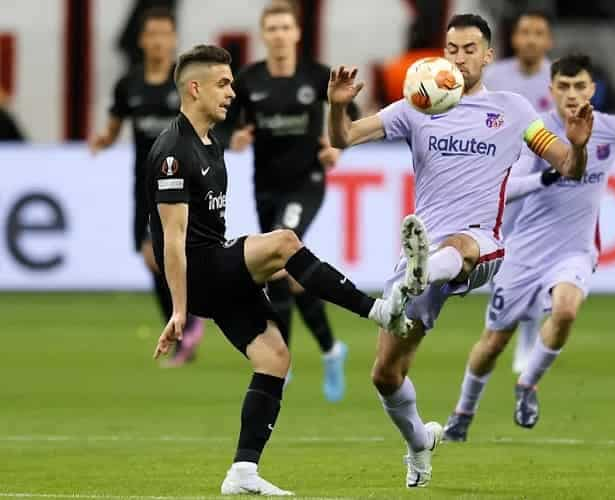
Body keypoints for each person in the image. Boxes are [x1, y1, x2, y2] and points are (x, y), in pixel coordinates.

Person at [327, 14, 594, 488]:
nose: (459, 57)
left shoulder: (514, 111)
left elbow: (568, 168)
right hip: (424, 247)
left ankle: (422, 269)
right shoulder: (416, 105)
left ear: (487, 56)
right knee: (386, 374)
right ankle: (419, 444)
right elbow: (343, 138)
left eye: (469, 49)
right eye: (451, 48)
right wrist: (337, 107)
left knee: (459, 248)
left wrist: (578, 144)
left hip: (479, 246)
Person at [147, 44, 408, 496]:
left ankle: (242, 472)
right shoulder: (174, 151)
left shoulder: (210, 142)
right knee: (285, 243)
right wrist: (179, 310)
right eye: (223, 84)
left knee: (274, 357)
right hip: (202, 271)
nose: (232, 92)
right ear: (195, 87)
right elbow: (171, 239)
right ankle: (378, 311)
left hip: (215, 270)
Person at [442, 54, 615, 441]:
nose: (573, 95)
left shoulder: (610, 130)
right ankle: (464, 410)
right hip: (523, 253)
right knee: (493, 342)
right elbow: (507, 190)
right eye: (564, 86)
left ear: (592, 89)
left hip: (574, 251)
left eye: (580, 86)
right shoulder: (537, 132)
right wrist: (548, 176)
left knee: (565, 311)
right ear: (552, 91)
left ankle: (527, 385)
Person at [219, 1, 352, 401]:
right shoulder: (249, 80)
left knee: (278, 263)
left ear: (296, 34)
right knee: (288, 273)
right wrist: (233, 139)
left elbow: (348, 115)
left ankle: (283, 361)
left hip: (307, 182)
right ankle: (331, 349)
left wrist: (335, 146)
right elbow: (222, 119)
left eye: (284, 27)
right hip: (266, 187)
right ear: (264, 35)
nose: (278, 34)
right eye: (271, 28)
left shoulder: (316, 75)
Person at [89, 8, 204, 366]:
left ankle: (190, 319)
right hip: (144, 183)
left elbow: (207, 122)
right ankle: (184, 325)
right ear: (142, 41)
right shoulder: (129, 84)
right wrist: (104, 140)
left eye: (164, 34)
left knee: (179, 251)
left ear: (173, 39)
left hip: (183, 180)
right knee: (151, 257)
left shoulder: (186, 83)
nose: (157, 41)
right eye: (151, 35)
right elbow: (115, 124)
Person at [483, 10, 555, 373]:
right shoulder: (495, 78)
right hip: (506, 183)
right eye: (524, 32)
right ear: (514, 40)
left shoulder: (557, 80)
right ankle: (500, 326)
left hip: (546, 186)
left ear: (548, 41)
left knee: (532, 262)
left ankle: (526, 338)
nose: (530, 39)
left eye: (538, 33)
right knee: (502, 259)